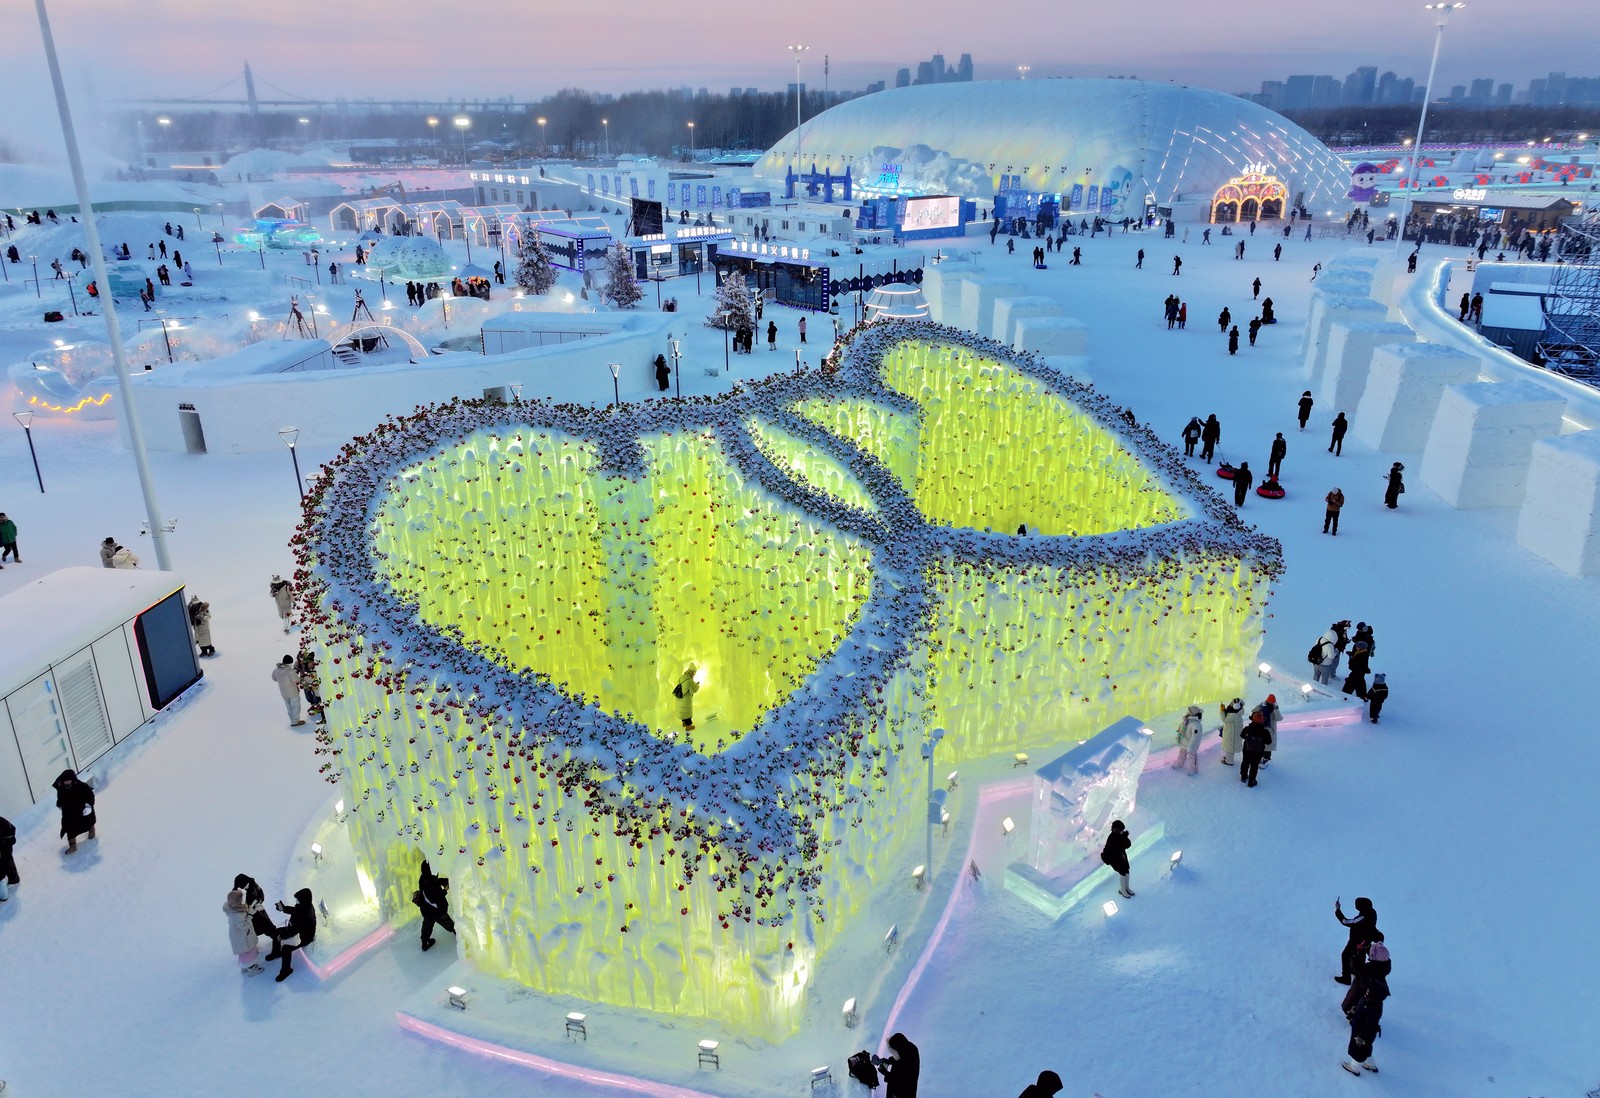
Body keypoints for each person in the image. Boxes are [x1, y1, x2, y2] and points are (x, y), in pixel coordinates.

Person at [1343, 959, 1389, 1074]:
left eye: (1369, 990)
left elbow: (1370, 1024)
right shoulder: (1368, 1001)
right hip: (1360, 1030)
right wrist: (1354, 1010)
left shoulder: (1373, 1008)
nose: (1367, 991)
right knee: (1367, 1050)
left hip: (1362, 1034)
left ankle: (1354, 1067)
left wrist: (1361, 1036)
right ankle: (1370, 1064)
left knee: (1357, 1050)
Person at [265, 887, 317, 982]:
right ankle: (276, 952)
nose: (296, 901)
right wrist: (284, 908)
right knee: (277, 931)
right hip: (295, 929)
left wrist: (282, 937)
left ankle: (286, 970)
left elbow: (295, 931)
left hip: (304, 937)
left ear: (303, 900)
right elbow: (295, 910)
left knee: (286, 948)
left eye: (298, 900)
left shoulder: (306, 913)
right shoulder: (304, 906)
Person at [1334, 897, 1379, 984]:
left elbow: (1346, 922)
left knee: (1345, 955)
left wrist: (1337, 910)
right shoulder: (1372, 912)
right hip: (1365, 940)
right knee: (1359, 956)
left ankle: (1346, 978)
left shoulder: (1363, 917)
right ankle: (1358, 973)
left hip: (1357, 941)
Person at [414, 859, 456, 951]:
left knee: (427, 925)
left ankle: (425, 943)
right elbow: (434, 899)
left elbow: (434, 881)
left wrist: (443, 881)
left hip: (426, 910)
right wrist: (445, 890)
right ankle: (457, 931)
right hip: (436, 910)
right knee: (446, 921)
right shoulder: (429, 881)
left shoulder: (424, 878)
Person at [225, 884, 265, 975]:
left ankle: (245, 966)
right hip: (242, 938)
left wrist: (252, 909)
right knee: (247, 953)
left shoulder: (236, 909)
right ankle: (251, 969)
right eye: (241, 899)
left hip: (242, 936)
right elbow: (244, 924)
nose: (243, 901)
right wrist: (251, 914)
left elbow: (244, 913)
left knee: (245, 953)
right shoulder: (236, 915)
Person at [53, 769, 96, 854]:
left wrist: (88, 805)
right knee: (69, 828)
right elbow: (60, 799)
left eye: (69, 780)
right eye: (65, 781)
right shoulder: (61, 789)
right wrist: (59, 804)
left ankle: (92, 831)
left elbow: (90, 795)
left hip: (82, 809)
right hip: (69, 812)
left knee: (88, 822)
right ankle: (73, 846)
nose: (67, 782)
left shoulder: (81, 786)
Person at [880, 1032, 920, 1098]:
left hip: (902, 1092)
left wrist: (885, 1073)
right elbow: (899, 1058)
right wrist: (889, 1060)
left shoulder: (907, 1059)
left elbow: (900, 1080)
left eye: (894, 1051)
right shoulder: (909, 1048)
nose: (893, 1053)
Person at [1100, 819, 1134, 897]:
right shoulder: (1112, 838)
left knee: (1127, 871)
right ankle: (1122, 889)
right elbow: (1119, 846)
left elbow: (1128, 845)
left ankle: (1127, 887)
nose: (1123, 831)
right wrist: (1124, 837)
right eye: (1121, 830)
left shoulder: (1120, 835)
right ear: (1117, 830)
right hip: (1114, 858)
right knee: (1122, 873)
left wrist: (1124, 837)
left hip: (1121, 856)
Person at [273, 655, 306, 727]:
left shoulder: (276, 670)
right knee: (295, 706)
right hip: (292, 692)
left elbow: (274, 678)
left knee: (288, 706)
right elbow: (297, 680)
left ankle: (292, 719)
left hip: (283, 692)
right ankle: (295, 721)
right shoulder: (290, 671)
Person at [1239, 711, 1270, 787]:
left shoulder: (1247, 729)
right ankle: (1251, 781)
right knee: (1254, 765)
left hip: (1247, 749)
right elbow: (1269, 742)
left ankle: (1243, 776)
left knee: (1245, 762)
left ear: (1252, 719)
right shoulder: (1264, 731)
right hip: (1258, 752)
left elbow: (1242, 736)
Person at [1171, 705, 1203, 775]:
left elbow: (1196, 737)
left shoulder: (1196, 724)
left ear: (1193, 713)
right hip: (1185, 741)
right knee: (1181, 753)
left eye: (1189, 711)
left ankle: (1193, 769)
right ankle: (1179, 764)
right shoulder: (1187, 720)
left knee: (1192, 756)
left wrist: (1191, 746)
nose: (1187, 712)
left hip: (1191, 744)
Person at [296, 650, 325, 724]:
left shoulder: (316, 668)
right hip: (306, 683)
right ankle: (314, 705)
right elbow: (296, 670)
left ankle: (318, 707)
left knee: (317, 697)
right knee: (308, 697)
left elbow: (313, 678)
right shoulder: (299, 664)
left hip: (314, 685)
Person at [674, 664, 700, 733]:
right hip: (686, 699)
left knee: (682, 711)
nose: (694, 674)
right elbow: (692, 690)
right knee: (687, 713)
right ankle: (688, 726)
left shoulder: (682, 677)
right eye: (694, 673)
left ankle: (684, 723)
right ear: (692, 672)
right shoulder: (690, 680)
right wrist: (697, 686)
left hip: (680, 697)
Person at [1220, 697, 1244, 766]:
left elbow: (1225, 719)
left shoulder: (1234, 715)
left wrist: (1222, 711)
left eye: (1232, 703)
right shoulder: (1236, 712)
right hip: (1233, 732)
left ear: (1235, 706)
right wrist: (1224, 710)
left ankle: (1229, 761)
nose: (1230, 704)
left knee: (1230, 747)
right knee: (1230, 746)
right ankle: (1228, 757)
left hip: (1232, 734)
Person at [0, 815, 19, 899]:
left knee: (7, 860)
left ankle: (14, 880)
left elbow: (12, 829)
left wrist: (4, 841)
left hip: (6, 842)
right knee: (7, 860)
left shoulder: (2, 822)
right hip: (4, 840)